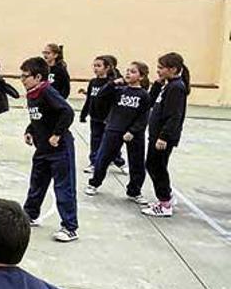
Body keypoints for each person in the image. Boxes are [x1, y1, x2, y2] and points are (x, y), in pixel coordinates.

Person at [20, 57, 79, 242]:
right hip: (42, 149)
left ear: (38, 77)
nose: (22, 80)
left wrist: (57, 134)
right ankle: (30, 214)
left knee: (63, 187)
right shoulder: (32, 93)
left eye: (25, 76)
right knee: (37, 183)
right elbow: (38, 117)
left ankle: (70, 227)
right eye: (20, 76)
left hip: (59, 149)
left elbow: (67, 112)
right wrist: (30, 131)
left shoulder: (47, 91)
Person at [84, 62, 151, 204]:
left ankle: (135, 191)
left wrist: (133, 131)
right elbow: (101, 95)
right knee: (103, 158)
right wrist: (112, 83)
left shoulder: (144, 95)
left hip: (134, 134)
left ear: (141, 76)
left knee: (137, 163)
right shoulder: (119, 90)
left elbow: (144, 116)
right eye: (127, 71)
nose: (128, 74)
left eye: (133, 72)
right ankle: (94, 183)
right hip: (114, 129)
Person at [141, 52, 190, 218]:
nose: (158, 71)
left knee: (156, 166)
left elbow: (174, 115)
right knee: (155, 165)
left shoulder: (177, 88)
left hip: (163, 137)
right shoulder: (168, 85)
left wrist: (164, 136)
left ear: (173, 69)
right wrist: (157, 84)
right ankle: (166, 197)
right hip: (156, 134)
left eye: (161, 68)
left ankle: (165, 203)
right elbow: (150, 101)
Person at [80, 55, 126, 174]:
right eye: (94, 65)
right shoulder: (93, 82)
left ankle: (118, 161)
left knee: (111, 142)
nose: (95, 68)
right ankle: (94, 162)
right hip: (95, 117)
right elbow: (89, 99)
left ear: (107, 68)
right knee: (95, 140)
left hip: (108, 119)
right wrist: (84, 113)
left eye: (99, 66)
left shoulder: (112, 84)